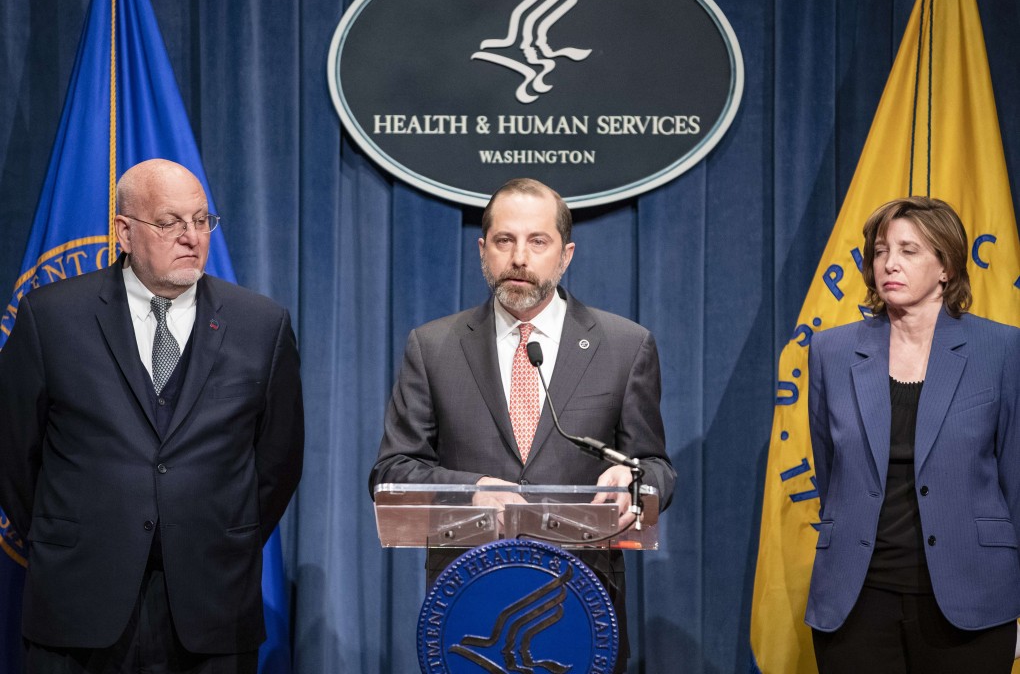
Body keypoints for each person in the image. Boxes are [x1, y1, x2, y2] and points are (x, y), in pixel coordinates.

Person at [0, 159, 304, 673]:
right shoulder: (49, 317)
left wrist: (211, 530)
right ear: (124, 232)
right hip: (80, 602)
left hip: (212, 605)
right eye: (169, 223)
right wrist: (77, 532)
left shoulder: (262, 325)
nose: (191, 237)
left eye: (202, 220)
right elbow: (12, 454)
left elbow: (277, 463)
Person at [370, 177, 676, 673]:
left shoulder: (625, 345)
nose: (519, 257)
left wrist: (634, 482)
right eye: (504, 240)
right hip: (468, 602)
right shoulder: (433, 346)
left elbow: (656, 465)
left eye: (538, 241)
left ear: (566, 254)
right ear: (482, 250)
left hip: (581, 601)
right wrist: (471, 490)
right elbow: (392, 473)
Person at [805, 196, 1020, 672]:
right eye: (881, 251)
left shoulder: (1002, 349)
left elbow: (1016, 478)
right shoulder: (831, 351)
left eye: (909, 250)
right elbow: (830, 472)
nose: (890, 264)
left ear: (945, 266)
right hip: (857, 598)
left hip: (971, 595)